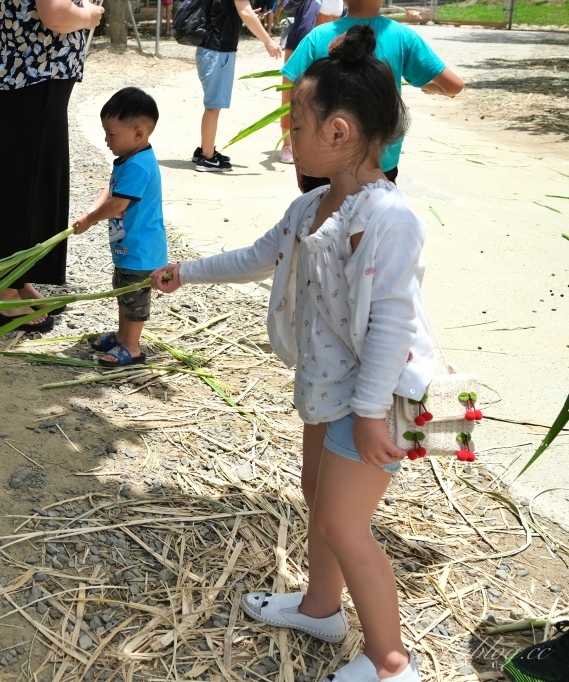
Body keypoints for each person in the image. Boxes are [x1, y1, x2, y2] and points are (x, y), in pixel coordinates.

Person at [153, 26, 433, 682]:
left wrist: (370, 413)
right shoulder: (310, 206)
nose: (289, 133)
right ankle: (320, 607)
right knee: (318, 497)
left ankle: (391, 662)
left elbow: (393, 325)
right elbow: (259, 257)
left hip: (379, 397)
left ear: (338, 131)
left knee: (343, 524)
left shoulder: (389, 220)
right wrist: (186, 272)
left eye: (296, 123)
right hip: (328, 386)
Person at [0, 0, 103, 333]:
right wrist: (89, 16)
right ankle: (2, 291)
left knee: (27, 184)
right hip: (29, 79)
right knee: (21, 187)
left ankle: (17, 280)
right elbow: (55, 14)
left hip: (29, 79)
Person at [281, 0, 463, 191]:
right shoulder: (403, 36)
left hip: (322, 161)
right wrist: (434, 88)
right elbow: (454, 86)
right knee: (374, 210)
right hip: (380, 162)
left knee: (324, 210)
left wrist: (300, 163)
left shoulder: (317, 36)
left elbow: (296, 102)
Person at [73, 88, 166, 367]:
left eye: (111, 134)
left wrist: (91, 219)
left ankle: (132, 347)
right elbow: (111, 189)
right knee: (124, 293)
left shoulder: (139, 166)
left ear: (138, 134)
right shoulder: (129, 159)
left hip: (141, 250)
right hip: (129, 247)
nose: (106, 140)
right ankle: (122, 336)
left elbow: (117, 205)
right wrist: (90, 210)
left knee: (135, 300)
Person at [192, 0, 281, 172]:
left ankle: (206, 150)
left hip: (211, 49)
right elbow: (245, 12)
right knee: (213, 107)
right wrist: (268, 41)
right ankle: (207, 158)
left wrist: (242, 15)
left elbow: (236, 12)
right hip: (217, 51)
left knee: (213, 105)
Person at [278, 0, 340, 164]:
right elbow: (287, 6)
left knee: (326, 96)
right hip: (301, 44)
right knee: (291, 93)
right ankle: (288, 144)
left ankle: (321, 142)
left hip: (332, 46)